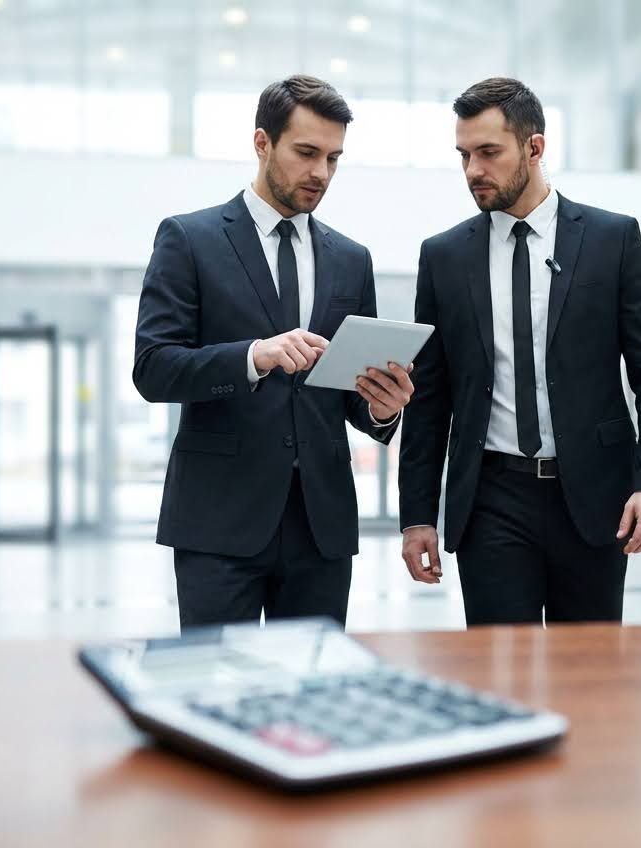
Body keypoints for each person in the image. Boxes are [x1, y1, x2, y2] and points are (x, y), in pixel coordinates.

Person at [398, 77, 641, 626]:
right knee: (500, 677)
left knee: (591, 672)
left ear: (534, 148)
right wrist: (417, 516)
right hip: (490, 501)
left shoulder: (612, 240)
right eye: (464, 155)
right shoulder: (444, 257)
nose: (473, 170)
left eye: (489, 153)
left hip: (598, 497)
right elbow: (430, 397)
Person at [133, 75, 413, 630]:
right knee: (217, 693)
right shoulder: (189, 240)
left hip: (321, 525)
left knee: (315, 697)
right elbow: (153, 369)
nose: (321, 173)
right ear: (262, 143)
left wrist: (383, 407)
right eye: (306, 153)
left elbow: (349, 397)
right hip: (218, 522)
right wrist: (252, 356)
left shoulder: (352, 259)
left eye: (334, 158)